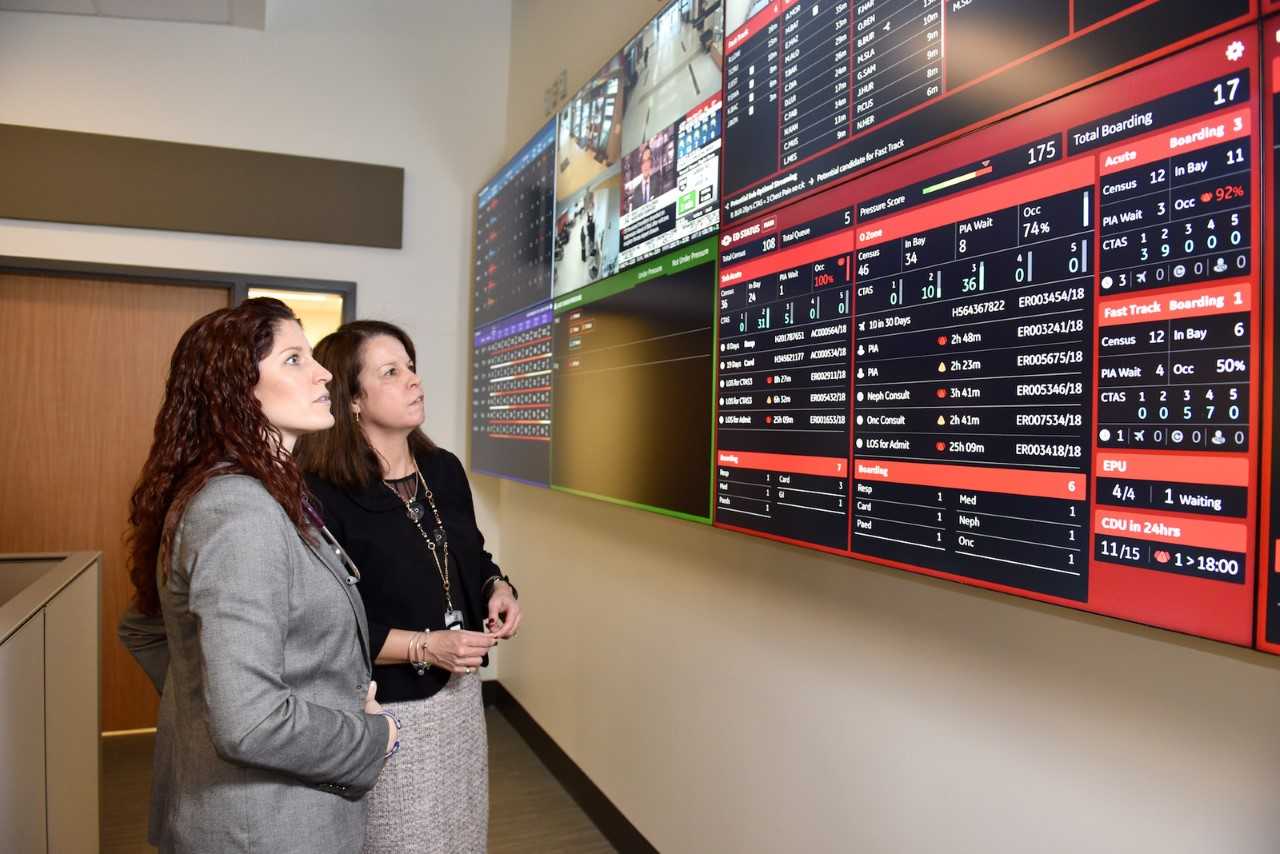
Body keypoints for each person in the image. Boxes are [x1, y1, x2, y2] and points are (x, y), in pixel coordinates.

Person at [117, 298, 398, 854]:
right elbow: (249, 722)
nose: (321, 373)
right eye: (294, 359)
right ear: (238, 391)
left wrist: (206, 700)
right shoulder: (239, 513)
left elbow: (144, 629)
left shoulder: (264, 493)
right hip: (266, 826)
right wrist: (372, 737)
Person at [294, 320, 522, 854]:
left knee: (463, 836)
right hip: (387, 708)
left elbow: (472, 556)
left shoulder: (442, 471)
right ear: (352, 399)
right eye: (391, 372)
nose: (414, 381)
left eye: (412, 367)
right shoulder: (319, 493)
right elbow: (325, 625)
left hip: (459, 698)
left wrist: (497, 588)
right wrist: (425, 645)